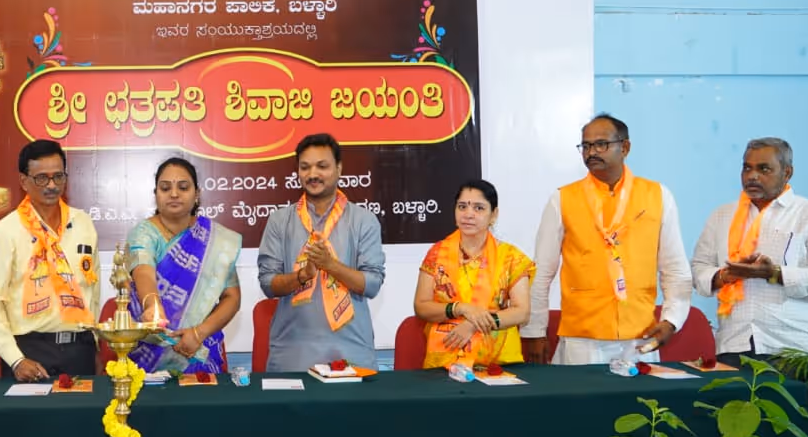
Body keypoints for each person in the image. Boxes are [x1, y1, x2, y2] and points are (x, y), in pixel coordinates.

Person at [520, 114, 691, 365]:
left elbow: (675, 269)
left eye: (601, 144)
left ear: (625, 147)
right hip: (582, 337)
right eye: (586, 146)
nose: (591, 152)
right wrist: (534, 331)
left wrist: (672, 320)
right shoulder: (563, 199)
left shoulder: (658, 196)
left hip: (640, 335)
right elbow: (541, 271)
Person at [692, 137, 808, 366]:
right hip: (733, 344)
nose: (752, 176)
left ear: (787, 172)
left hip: (790, 349)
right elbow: (698, 268)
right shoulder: (721, 216)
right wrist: (725, 275)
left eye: (764, 169)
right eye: (747, 168)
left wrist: (774, 273)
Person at [257, 133, 386, 372]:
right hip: (292, 354)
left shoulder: (363, 221)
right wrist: (302, 276)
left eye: (322, 166)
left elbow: (372, 284)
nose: (312, 174)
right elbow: (268, 284)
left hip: (351, 352)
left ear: (339, 169)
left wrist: (330, 265)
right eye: (305, 167)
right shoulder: (279, 221)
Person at [0, 140, 100, 382]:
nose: (52, 185)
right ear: (23, 181)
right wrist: (16, 359)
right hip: (28, 351)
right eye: (42, 178)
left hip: (80, 350)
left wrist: (94, 343)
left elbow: (93, 291)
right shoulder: (6, 232)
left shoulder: (83, 224)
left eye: (58, 177)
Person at [126, 157, 242, 374]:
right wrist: (152, 305)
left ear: (197, 194)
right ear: (156, 194)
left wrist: (198, 333)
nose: (174, 194)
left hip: (199, 347)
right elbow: (143, 272)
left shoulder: (213, 241)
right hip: (149, 352)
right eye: (165, 188)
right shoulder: (143, 234)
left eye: (183, 187)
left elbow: (232, 297)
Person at [414, 180, 535, 369]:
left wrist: (473, 324)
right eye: (462, 206)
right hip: (444, 362)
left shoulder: (511, 258)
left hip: (498, 364)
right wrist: (459, 308)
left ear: (493, 215)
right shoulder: (437, 254)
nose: (468, 214)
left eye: (479, 208)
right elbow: (421, 306)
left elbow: (522, 312)